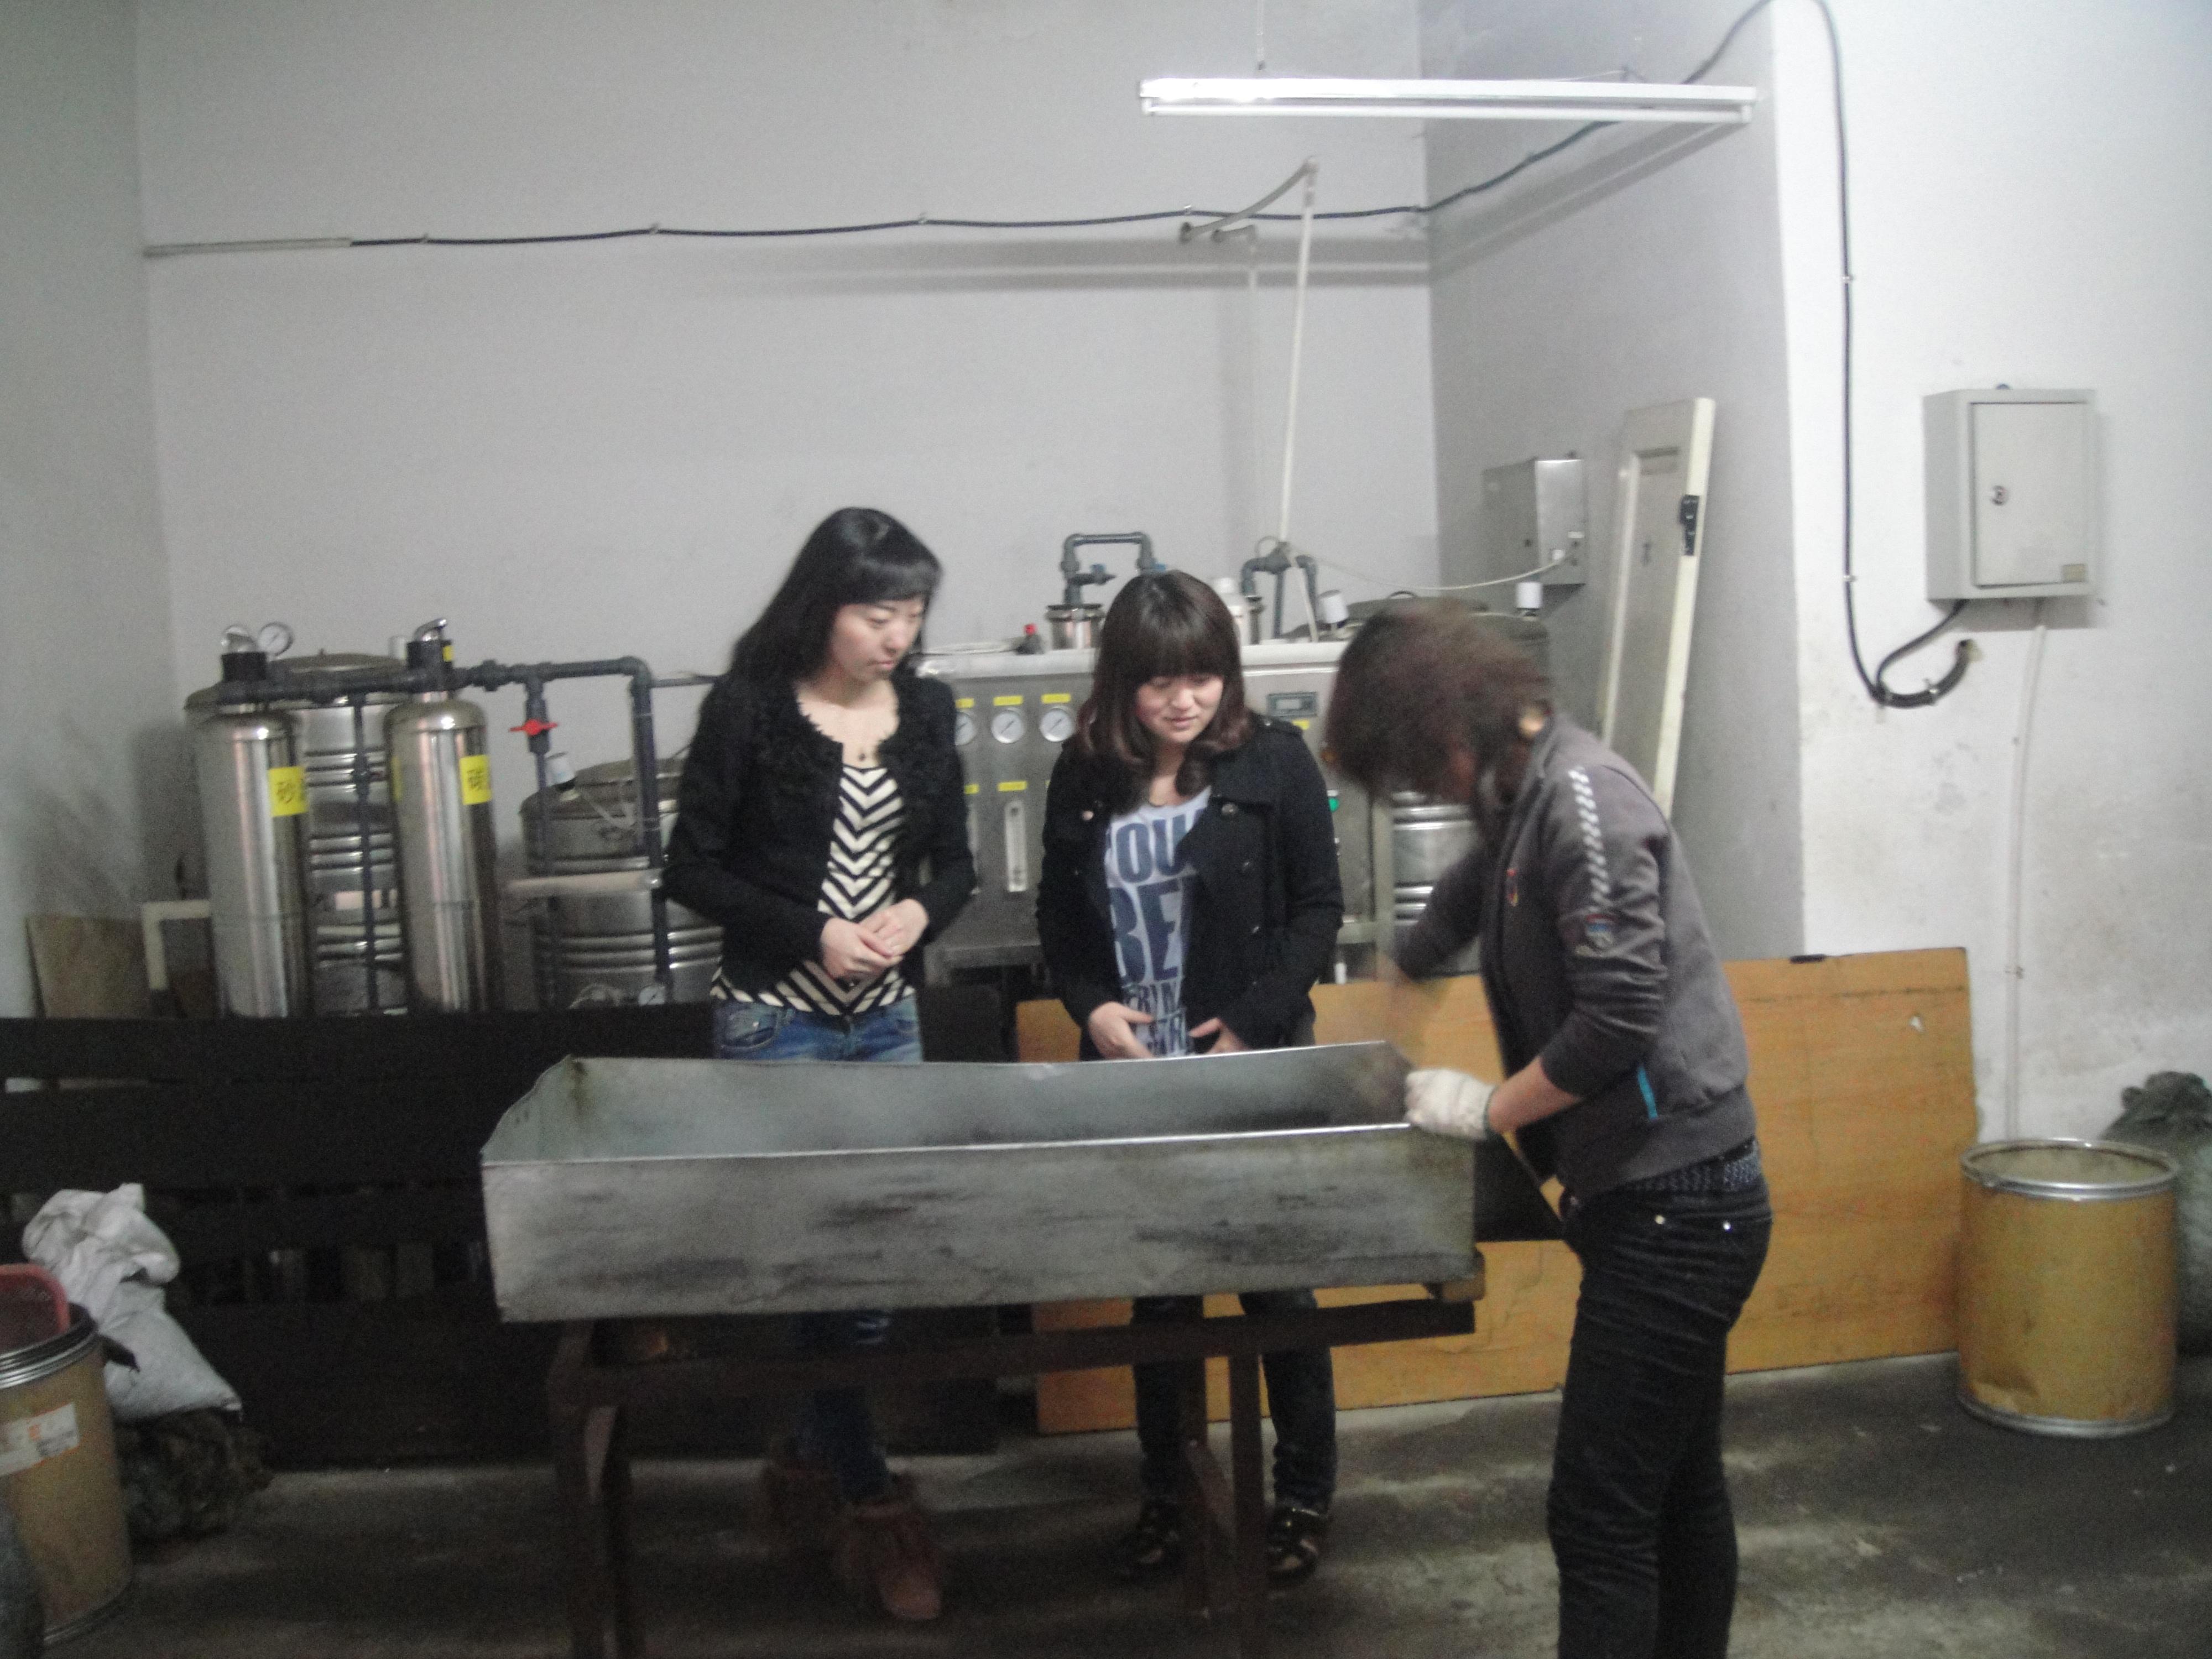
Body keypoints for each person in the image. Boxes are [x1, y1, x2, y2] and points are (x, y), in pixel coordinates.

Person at [1324, 601, 1771, 1659]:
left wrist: (1488, 1109)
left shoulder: (1585, 802)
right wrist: (1399, 980)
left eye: (1419, 772)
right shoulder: (1522, 792)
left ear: (1447, 729)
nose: (1432, 794)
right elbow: (1473, 888)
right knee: (1676, 1486)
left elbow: (1619, 1017)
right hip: (1653, 1198)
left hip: (1681, 1205)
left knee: (1600, 1514)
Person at [663, 505, 973, 1624]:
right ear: (821, 607)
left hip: (886, 1021)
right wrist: (812, 933)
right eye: (876, 614)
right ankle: (875, 1504)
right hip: (776, 1022)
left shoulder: (927, 710)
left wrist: (917, 914)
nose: (898, 635)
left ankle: (803, 1458)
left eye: (913, 614)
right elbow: (689, 869)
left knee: (871, 1273)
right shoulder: (748, 708)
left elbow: (957, 868)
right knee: (817, 1268)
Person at [1035, 570, 1345, 1586]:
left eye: (1203, 678)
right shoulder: (1085, 773)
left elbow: (1319, 910)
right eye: (1160, 681)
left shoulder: (1276, 760)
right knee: (1163, 1298)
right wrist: (1090, 1006)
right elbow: (1059, 919)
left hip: (1247, 1064)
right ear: (1122, 682)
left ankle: (1302, 1498)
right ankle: (1168, 1496)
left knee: (1277, 1287)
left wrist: (1253, 1023)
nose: (1184, 701)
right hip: (1137, 1074)